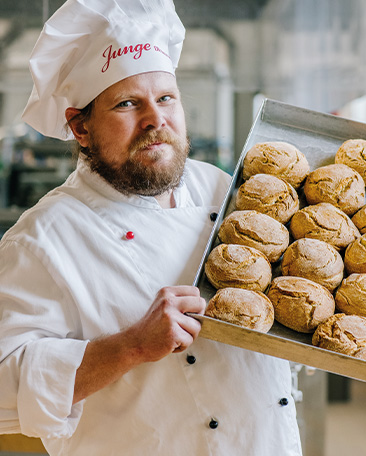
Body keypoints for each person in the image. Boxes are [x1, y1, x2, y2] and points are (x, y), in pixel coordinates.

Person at [0, 0, 301, 454]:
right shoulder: (42, 238)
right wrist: (129, 347)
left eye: (165, 98)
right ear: (80, 128)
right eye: (127, 103)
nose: (155, 120)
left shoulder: (223, 188)